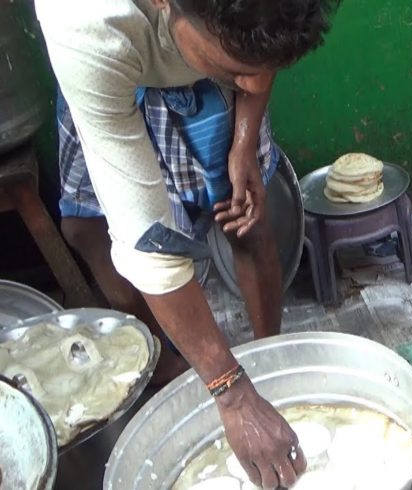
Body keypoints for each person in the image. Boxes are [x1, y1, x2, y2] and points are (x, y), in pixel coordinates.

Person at [35, 0, 337, 487]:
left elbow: (260, 59)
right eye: (237, 70)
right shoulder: (87, 29)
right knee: (87, 231)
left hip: (207, 53)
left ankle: (270, 356)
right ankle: (176, 367)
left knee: (245, 217)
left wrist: (244, 141)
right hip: (120, 75)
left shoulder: (245, 35)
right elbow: (144, 239)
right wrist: (231, 392)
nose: (251, 82)